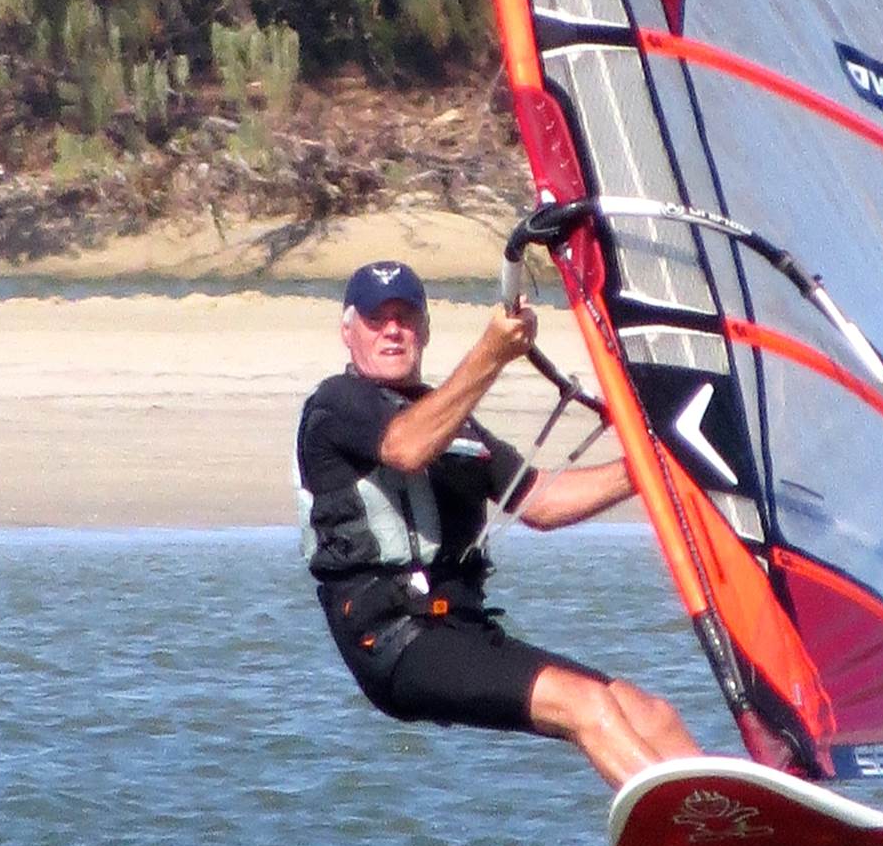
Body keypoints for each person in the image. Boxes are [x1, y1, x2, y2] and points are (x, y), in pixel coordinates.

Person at [295, 260, 704, 788]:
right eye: (377, 320)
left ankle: (752, 818)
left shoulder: (450, 418)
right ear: (348, 332)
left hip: (464, 631)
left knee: (649, 714)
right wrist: (492, 352)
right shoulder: (337, 404)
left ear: (424, 330)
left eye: (405, 317)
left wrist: (661, 465)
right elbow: (406, 448)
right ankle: (700, 821)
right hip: (395, 641)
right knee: (584, 706)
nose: (392, 330)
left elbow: (541, 502)